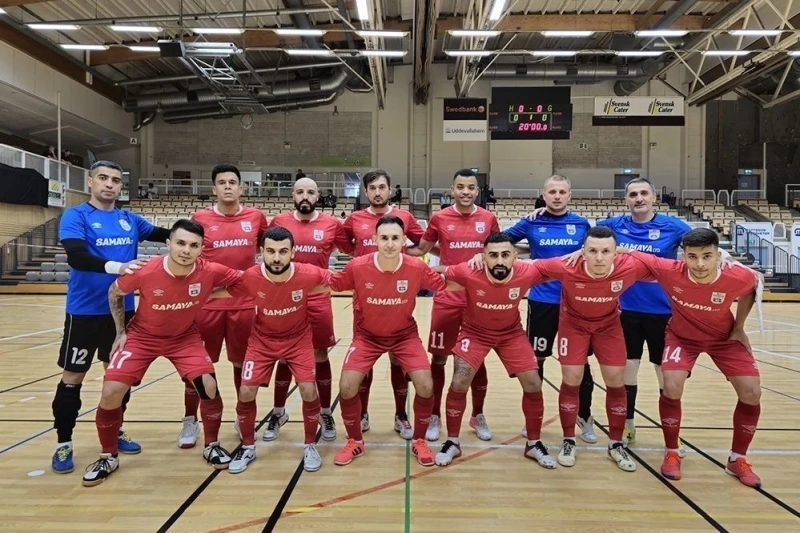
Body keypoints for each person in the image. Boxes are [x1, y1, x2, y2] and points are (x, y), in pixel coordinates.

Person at [82, 220, 243, 486]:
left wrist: (211, 294)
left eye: (193, 245)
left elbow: (245, 281)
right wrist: (120, 332)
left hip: (184, 338)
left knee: (209, 385)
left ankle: (212, 445)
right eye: (180, 243)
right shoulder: (146, 270)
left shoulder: (210, 270)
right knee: (111, 391)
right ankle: (108, 456)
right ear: (168, 243)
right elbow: (114, 292)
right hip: (142, 337)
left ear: (202, 249)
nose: (186, 250)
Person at [51, 160, 170, 475]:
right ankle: (64, 442)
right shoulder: (76, 216)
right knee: (73, 377)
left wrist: (201, 231)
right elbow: (77, 257)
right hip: (84, 312)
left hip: (122, 312)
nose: (109, 184)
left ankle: (114, 430)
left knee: (118, 377)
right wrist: (120, 268)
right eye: (103, 178)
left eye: (116, 180)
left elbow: (165, 233)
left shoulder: (129, 219)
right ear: (91, 181)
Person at [623, 229, 764, 488]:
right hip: (682, 337)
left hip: (723, 338)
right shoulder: (670, 270)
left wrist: (739, 327)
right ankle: (672, 452)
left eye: (707, 256)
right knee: (671, 384)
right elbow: (631, 252)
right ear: (683, 256)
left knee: (752, 391)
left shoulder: (737, 275)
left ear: (718, 256)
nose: (699, 264)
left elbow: (751, 288)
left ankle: (737, 459)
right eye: (693, 257)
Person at [524, 226, 652, 471]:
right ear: (583, 252)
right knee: (571, 378)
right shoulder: (566, 266)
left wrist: (724, 257)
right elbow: (530, 267)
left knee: (615, 379)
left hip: (608, 327)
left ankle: (616, 444)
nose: (599, 257)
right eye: (592, 251)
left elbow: (669, 268)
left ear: (616, 253)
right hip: (573, 326)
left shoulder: (629, 267)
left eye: (606, 251)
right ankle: (569, 440)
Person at [213, 227, 333, 474]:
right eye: (270, 251)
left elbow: (339, 282)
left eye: (282, 251)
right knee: (246, 391)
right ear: (261, 252)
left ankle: (310, 445)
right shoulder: (251, 276)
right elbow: (225, 292)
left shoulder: (308, 273)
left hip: (298, 340)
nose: (276, 258)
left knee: (309, 390)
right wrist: (193, 296)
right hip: (262, 341)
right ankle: (248, 446)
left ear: (293, 252)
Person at [328, 215, 445, 466]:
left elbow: (447, 284)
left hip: (404, 336)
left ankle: (420, 441)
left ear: (404, 241)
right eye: (384, 238)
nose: (390, 244)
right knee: (347, 386)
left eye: (395, 238)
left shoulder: (416, 267)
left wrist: (470, 269)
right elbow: (332, 283)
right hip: (367, 336)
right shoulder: (357, 266)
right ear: (375, 240)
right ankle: (355, 441)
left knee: (426, 385)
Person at [433, 233, 555, 468]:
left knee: (533, 383)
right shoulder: (468, 271)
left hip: (511, 334)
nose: (499, 260)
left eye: (505, 255)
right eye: (493, 255)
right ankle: (452, 442)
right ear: (483, 257)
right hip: (474, 333)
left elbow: (563, 266)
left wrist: (585, 253)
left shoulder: (528, 271)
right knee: (459, 381)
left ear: (515, 256)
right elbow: (439, 271)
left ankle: (533, 443)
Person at [177, 164, 268, 448]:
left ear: (242, 188)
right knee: (198, 366)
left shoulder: (256, 217)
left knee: (242, 365)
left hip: (244, 305)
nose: (227, 186)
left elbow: (270, 249)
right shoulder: (200, 218)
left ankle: (243, 418)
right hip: (208, 306)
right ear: (213, 189)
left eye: (232, 182)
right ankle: (190, 420)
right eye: (221, 182)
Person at [406, 168, 500, 442]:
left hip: (478, 300)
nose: (466, 192)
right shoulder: (440, 217)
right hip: (447, 299)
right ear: (452, 189)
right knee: (439, 358)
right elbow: (421, 249)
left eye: (471, 187)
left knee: (476, 359)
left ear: (477, 191)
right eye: (461, 187)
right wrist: (388, 249)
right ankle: (434, 415)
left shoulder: (488, 219)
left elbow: (497, 252)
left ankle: (477, 414)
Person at [596, 177, 691, 446]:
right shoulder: (612, 226)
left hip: (665, 313)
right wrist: (540, 211)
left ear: (653, 198)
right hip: (626, 312)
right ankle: (628, 426)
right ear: (626, 199)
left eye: (644, 193)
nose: (639, 198)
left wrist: (729, 262)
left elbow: (702, 247)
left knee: (666, 375)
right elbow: (585, 237)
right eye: (633, 194)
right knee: (628, 370)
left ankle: (671, 435)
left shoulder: (674, 227)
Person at [509, 174, 596, 444]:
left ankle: (584, 415)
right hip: (542, 302)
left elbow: (598, 250)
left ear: (570, 195)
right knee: (536, 361)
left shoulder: (581, 224)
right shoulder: (531, 222)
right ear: (543, 195)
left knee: (580, 363)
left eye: (562, 192)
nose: (557, 196)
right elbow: (499, 241)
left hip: (576, 303)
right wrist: (526, 252)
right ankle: (533, 418)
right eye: (552, 192)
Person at [265, 178, 354, 442]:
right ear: (293, 195)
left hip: (317, 299)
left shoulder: (331, 224)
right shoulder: (279, 222)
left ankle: (325, 412)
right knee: (283, 356)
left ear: (318, 196)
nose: (305, 196)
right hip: (283, 300)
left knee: (320, 354)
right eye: (300, 192)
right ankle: (278, 412)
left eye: (311, 192)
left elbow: (353, 249)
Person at [342, 170, 425, 438]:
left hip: (398, 299)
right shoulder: (354, 219)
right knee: (363, 363)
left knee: (398, 360)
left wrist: (404, 254)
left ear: (390, 190)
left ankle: (401, 415)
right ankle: (362, 413)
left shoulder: (405, 217)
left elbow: (422, 245)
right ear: (365, 192)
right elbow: (345, 246)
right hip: (365, 303)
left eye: (382, 187)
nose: (377, 192)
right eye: (372, 188)